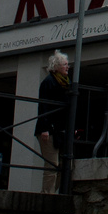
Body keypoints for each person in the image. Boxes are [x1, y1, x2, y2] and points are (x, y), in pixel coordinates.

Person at [36, 51, 72, 193]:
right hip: (49, 129)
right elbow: (43, 106)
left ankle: (52, 193)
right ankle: (47, 195)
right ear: (56, 66)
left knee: (65, 165)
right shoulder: (49, 82)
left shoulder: (66, 83)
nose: (67, 67)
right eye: (65, 64)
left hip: (60, 129)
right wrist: (45, 128)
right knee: (52, 164)